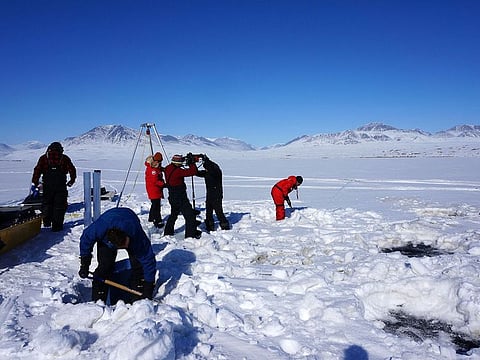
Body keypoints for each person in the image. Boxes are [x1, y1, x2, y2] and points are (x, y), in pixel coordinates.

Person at [78, 207, 156, 302]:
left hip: (128, 216)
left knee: (138, 265)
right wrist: (85, 264)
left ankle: (139, 291)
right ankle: (99, 297)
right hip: (109, 221)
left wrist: (149, 285)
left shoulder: (135, 233)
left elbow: (148, 259)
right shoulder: (99, 229)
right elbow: (85, 240)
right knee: (105, 266)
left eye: (127, 245)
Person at [31, 141, 77, 231]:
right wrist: (71, 181)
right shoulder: (64, 158)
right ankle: (57, 226)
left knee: (47, 204)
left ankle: (47, 223)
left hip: (47, 186)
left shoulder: (44, 158)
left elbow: (37, 170)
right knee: (59, 206)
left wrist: (35, 183)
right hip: (61, 186)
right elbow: (72, 170)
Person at [163, 153, 201, 239]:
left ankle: (168, 232)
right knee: (190, 216)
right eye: (180, 162)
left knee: (173, 215)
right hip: (180, 197)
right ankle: (190, 236)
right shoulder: (178, 171)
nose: (181, 163)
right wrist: (192, 163)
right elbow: (193, 172)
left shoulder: (168, 168)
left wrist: (185, 160)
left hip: (172, 196)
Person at [197, 155, 230, 231]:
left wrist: (206, 160)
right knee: (208, 212)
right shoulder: (208, 172)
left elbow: (212, 169)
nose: (205, 169)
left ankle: (225, 226)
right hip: (210, 194)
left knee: (219, 212)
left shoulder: (216, 171)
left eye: (205, 167)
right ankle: (209, 226)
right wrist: (192, 165)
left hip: (217, 194)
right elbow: (197, 173)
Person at [145, 152, 165, 228]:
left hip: (153, 189)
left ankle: (151, 218)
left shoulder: (154, 167)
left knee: (154, 205)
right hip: (154, 190)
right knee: (156, 206)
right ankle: (157, 220)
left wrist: (162, 169)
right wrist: (164, 184)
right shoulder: (153, 170)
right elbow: (155, 181)